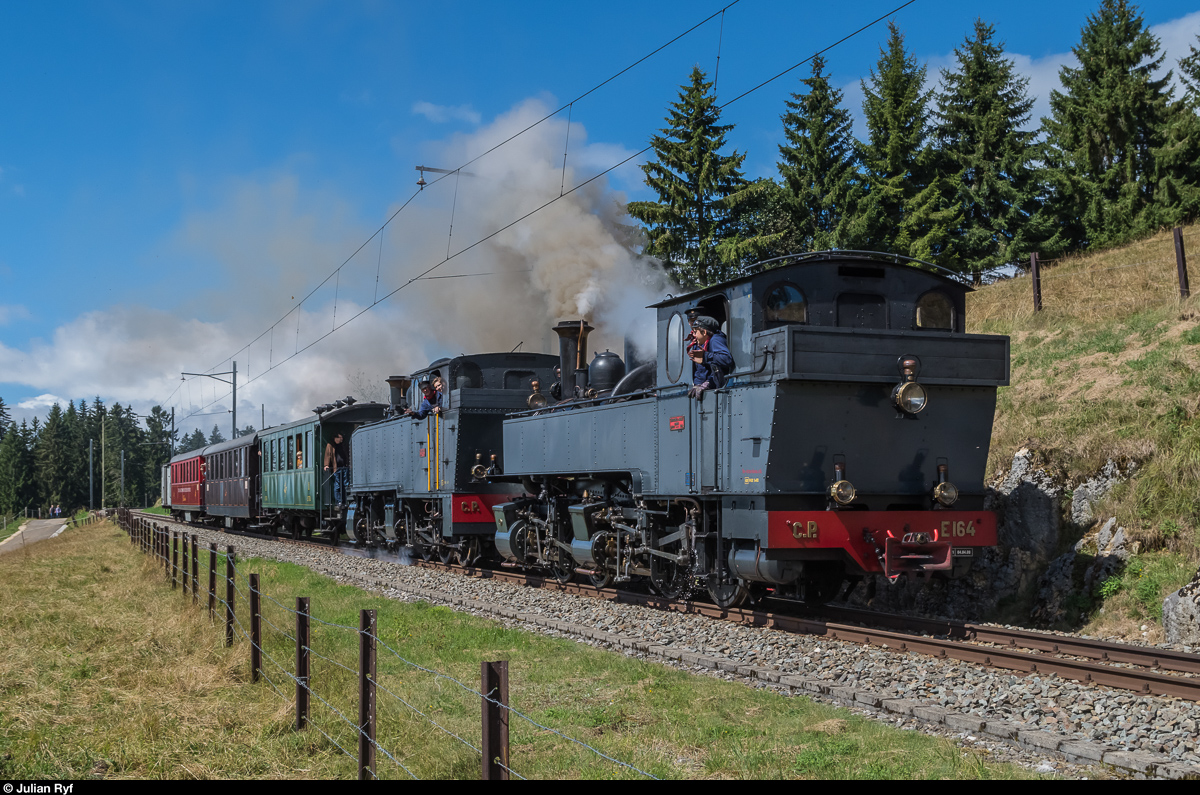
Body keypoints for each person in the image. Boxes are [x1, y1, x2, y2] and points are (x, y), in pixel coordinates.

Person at [687, 315, 733, 398]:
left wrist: (705, 356)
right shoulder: (705, 344)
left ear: (704, 332)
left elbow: (727, 359)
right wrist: (698, 384)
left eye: (695, 331)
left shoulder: (715, 340)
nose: (694, 335)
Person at [323, 432, 349, 507]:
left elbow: (346, 455)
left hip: (344, 467)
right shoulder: (330, 445)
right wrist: (326, 465)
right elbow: (328, 455)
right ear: (335, 438)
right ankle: (339, 501)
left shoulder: (343, 445)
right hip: (336, 468)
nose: (341, 439)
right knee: (337, 486)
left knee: (345, 485)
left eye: (342, 438)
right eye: (340, 438)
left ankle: (345, 501)